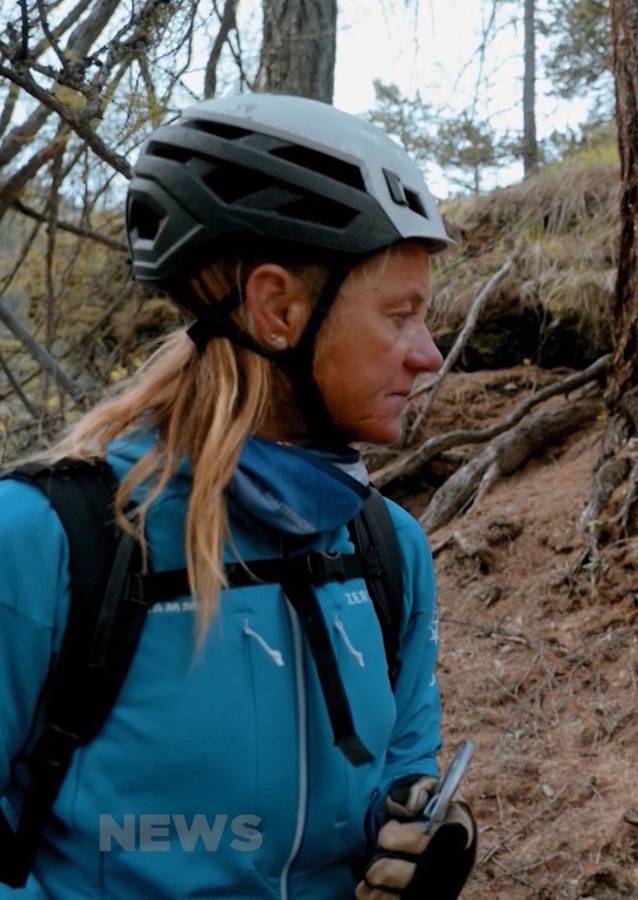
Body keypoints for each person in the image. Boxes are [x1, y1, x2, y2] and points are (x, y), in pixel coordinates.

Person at [0, 95, 475, 898]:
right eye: (401, 316)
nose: (428, 355)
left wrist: (417, 839)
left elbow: (402, 772)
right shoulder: (50, 540)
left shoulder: (386, 548)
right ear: (278, 308)